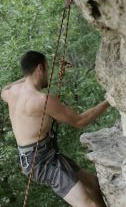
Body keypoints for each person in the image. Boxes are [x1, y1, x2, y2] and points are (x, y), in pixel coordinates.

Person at [1, 51, 109, 207]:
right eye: (48, 68)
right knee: (87, 204)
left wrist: (27, 77)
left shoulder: (10, 93)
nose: (49, 72)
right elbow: (80, 121)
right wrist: (109, 101)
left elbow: (4, 88)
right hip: (40, 162)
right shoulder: (42, 100)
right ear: (39, 69)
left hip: (41, 156)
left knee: (94, 185)